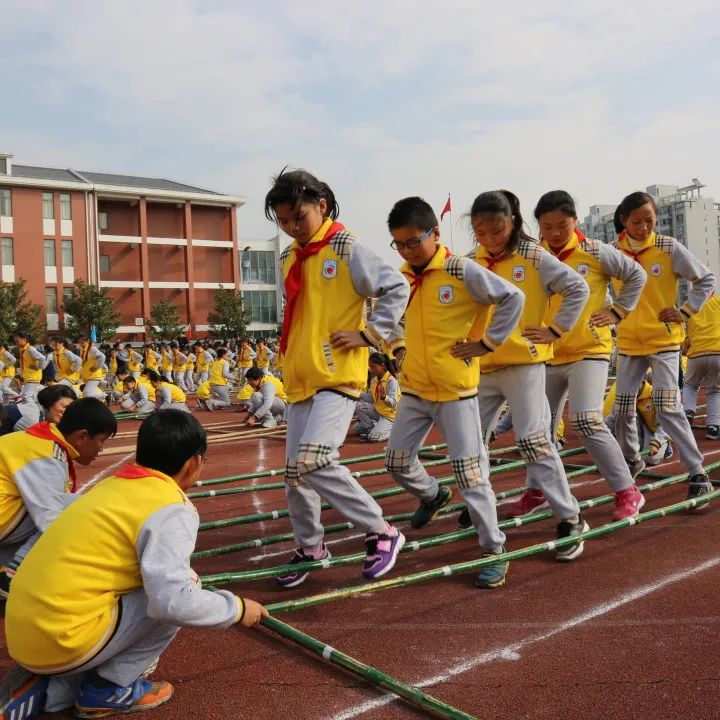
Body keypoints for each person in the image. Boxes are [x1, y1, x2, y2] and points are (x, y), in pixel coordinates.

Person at [0, 410, 268, 720]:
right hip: (62, 637)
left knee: (148, 583)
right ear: (193, 463)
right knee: (185, 587)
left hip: (21, 631)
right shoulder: (171, 507)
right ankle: (107, 689)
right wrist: (236, 608)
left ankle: (57, 686)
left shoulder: (109, 486)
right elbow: (174, 603)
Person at [266, 167, 409, 586]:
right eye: (285, 221)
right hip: (300, 376)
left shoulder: (345, 247)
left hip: (336, 375)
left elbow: (395, 287)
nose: (293, 227)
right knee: (295, 472)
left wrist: (370, 333)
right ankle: (312, 546)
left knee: (315, 460)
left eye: (299, 217)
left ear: (321, 206)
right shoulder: (289, 256)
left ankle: (382, 531)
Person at [384, 197, 524, 587]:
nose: (408, 250)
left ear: (435, 233)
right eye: (400, 243)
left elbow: (513, 297)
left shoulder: (461, 270)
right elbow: (387, 317)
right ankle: (431, 495)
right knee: (396, 461)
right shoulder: (402, 277)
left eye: (415, 241)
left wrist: (487, 343)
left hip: (456, 392)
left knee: (470, 474)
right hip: (413, 389)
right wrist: (397, 348)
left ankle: (495, 547)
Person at [463, 190, 590, 561]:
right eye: (481, 232)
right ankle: (481, 507)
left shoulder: (533, 255)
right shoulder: (470, 261)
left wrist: (555, 329)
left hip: (524, 362)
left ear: (513, 222)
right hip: (482, 365)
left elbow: (576, 287)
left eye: (497, 231)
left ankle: (570, 516)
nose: (489, 239)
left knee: (533, 441)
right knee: (472, 443)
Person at [507, 190, 648, 522]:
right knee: (536, 430)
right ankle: (538, 490)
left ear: (575, 221)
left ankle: (627, 489)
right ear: (538, 226)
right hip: (547, 353)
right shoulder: (534, 255)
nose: (555, 232)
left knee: (585, 419)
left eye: (562, 225)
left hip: (589, 349)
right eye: (547, 226)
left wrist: (618, 310)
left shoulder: (595, 251)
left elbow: (636, 275)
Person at [611, 191, 715, 502]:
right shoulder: (612, 252)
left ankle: (697, 472)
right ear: (623, 221)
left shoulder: (667, 247)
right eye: (636, 222)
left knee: (668, 406)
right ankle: (631, 459)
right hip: (629, 343)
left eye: (649, 221)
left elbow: (705, 279)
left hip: (664, 342)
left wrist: (684, 311)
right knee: (622, 408)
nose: (643, 228)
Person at [0, 398, 117, 597]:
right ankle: (12, 575)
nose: (101, 449)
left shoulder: (38, 439)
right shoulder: (47, 455)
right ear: (82, 437)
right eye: (101, 441)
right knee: (79, 506)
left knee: (56, 504)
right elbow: (52, 522)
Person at [682, 294, 720, 440]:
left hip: (696, 352)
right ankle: (713, 427)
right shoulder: (718, 302)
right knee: (715, 391)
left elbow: (684, 330)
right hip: (717, 351)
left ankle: (688, 412)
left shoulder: (689, 305)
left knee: (690, 385)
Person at [354, 352, 400, 442]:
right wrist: (358, 393)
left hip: (389, 416)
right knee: (357, 428)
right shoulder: (374, 380)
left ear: (382, 366)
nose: (371, 370)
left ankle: (395, 431)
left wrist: (384, 397)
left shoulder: (391, 381)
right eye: (370, 367)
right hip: (378, 411)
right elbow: (371, 398)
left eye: (373, 366)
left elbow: (394, 404)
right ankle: (371, 430)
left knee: (373, 438)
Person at [12, 333, 45, 403]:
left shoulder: (30, 349)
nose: (16, 343)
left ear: (24, 340)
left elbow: (42, 358)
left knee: (27, 397)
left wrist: (38, 367)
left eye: (17, 341)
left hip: (33, 377)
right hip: (28, 377)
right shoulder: (22, 349)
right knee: (28, 397)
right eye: (15, 341)